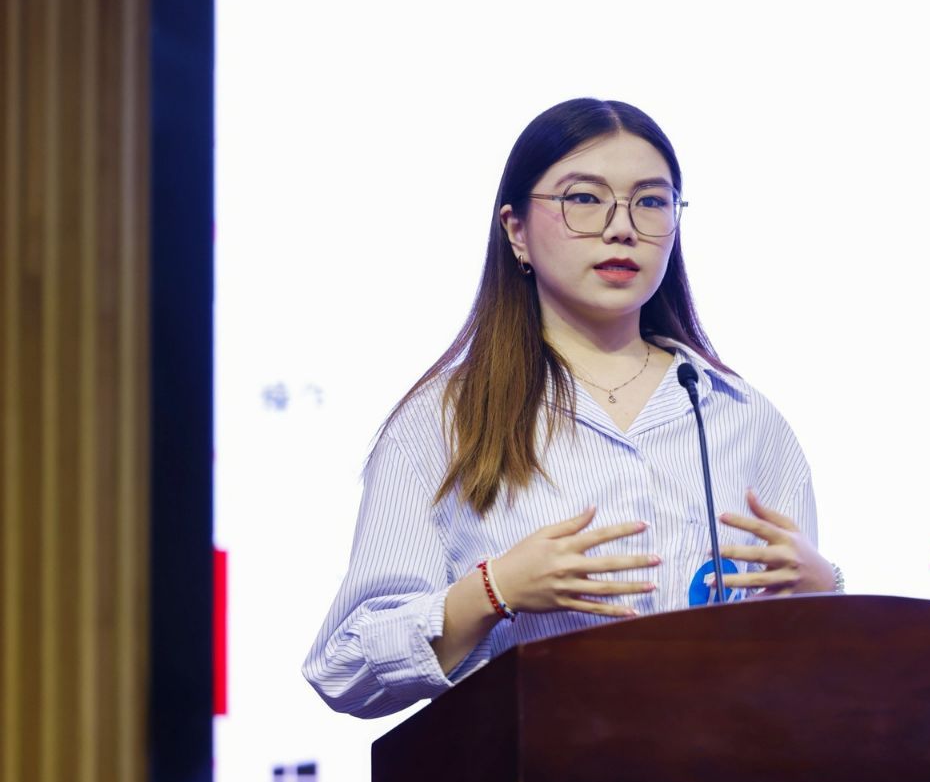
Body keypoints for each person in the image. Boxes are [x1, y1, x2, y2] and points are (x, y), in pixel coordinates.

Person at [303, 98, 840, 719]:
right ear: (516, 230)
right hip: (533, 775)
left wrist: (823, 590)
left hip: (722, 768)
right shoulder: (442, 422)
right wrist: (494, 591)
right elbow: (344, 670)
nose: (623, 228)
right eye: (584, 198)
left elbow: (804, 672)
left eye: (651, 202)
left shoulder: (741, 415)